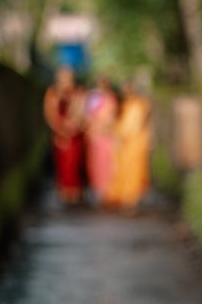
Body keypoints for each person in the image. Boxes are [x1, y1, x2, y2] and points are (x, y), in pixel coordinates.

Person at [104, 81, 153, 211]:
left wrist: (124, 135)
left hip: (134, 142)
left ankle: (131, 198)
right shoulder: (123, 105)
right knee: (122, 169)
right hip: (122, 143)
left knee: (134, 170)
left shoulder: (139, 105)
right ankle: (124, 196)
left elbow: (136, 124)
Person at [43, 66, 87, 204]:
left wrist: (74, 124)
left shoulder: (78, 92)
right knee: (63, 164)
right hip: (60, 135)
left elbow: (82, 111)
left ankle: (75, 192)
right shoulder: (52, 93)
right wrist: (61, 129)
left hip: (75, 133)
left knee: (75, 163)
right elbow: (50, 113)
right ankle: (64, 192)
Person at [84, 76, 120, 205]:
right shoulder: (93, 98)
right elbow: (88, 116)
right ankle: (98, 191)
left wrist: (106, 127)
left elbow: (113, 116)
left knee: (108, 163)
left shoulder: (111, 98)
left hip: (107, 134)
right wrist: (96, 127)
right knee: (96, 163)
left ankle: (108, 192)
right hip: (96, 135)